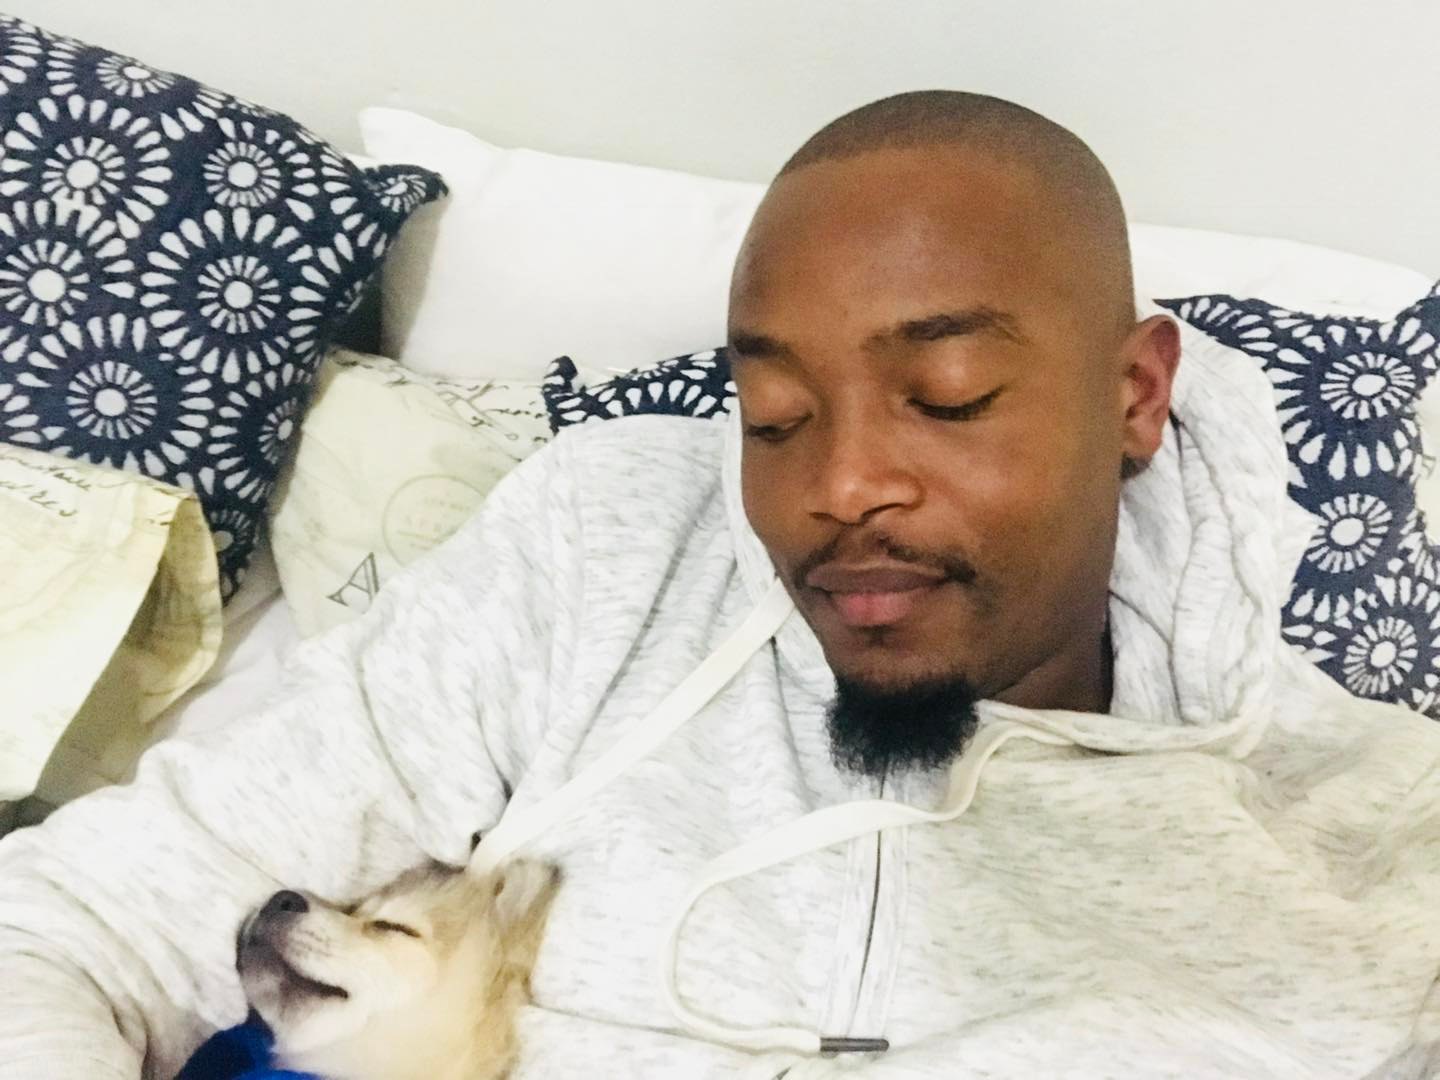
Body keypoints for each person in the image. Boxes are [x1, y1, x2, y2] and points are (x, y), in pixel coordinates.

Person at [2, 90, 1438, 1080]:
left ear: (1134, 397)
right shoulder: (601, 558)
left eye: (947, 396)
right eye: (773, 416)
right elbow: (71, 929)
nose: (840, 484)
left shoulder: (1382, 843)